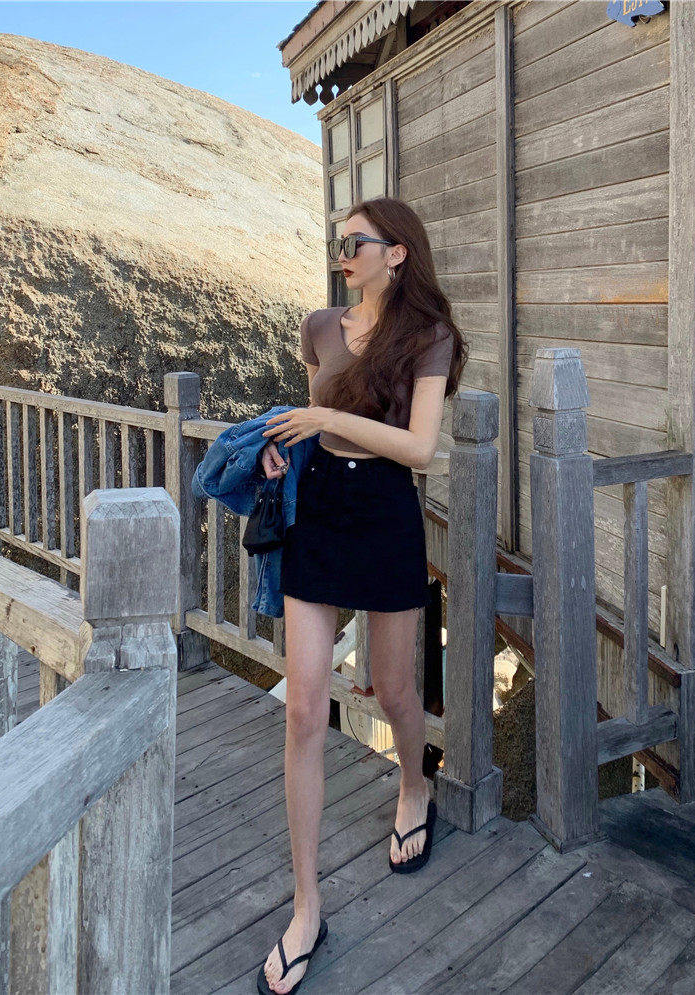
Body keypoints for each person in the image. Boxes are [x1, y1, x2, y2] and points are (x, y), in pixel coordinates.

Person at [256, 197, 468, 995]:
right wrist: (289, 445)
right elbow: (313, 422)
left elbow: (419, 447)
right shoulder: (319, 326)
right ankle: (306, 907)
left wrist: (321, 412)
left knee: (396, 688)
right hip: (319, 508)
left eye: (356, 242)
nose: (342, 253)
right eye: (339, 242)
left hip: (384, 511)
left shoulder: (428, 336)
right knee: (304, 709)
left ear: (397, 252)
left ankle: (415, 784)